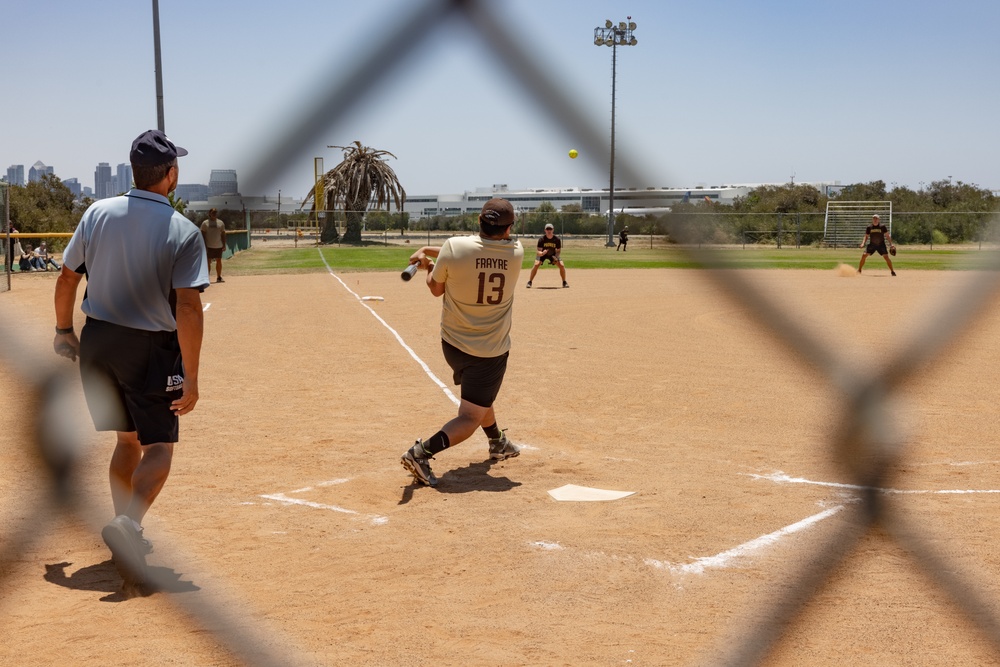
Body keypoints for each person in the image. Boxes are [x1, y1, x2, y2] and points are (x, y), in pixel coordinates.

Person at [53, 129, 209, 587]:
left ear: (134, 172)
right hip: (150, 347)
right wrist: (193, 377)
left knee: (126, 442)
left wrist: (64, 331)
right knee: (158, 445)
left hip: (98, 339)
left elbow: (67, 280)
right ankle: (129, 526)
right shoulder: (182, 230)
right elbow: (187, 307)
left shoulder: (97, 212)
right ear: (171, 176)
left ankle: (127, 530)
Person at [400, 198, 524, 487]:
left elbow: (435, 288)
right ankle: (421, 453)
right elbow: (472, 252)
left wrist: (428, 264)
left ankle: (497, 442)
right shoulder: (516, 251)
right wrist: (430, 255)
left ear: (479, 221)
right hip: (489, 351)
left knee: (479, 398)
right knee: (470, 415)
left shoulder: (455, 248)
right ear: (508, 229)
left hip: (452, 345)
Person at [525, 222, 568, 288]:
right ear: (545, 230)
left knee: (562, 265)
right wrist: (542, 253)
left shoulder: (557, 239)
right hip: (543, 254)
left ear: (553, 230)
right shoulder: (542, 239)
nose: (549, 231)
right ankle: (529, 281)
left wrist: (556, 257)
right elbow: (538, 252)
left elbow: (558, 251)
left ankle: (564, 282)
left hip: (553, 255)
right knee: (536, 264)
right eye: (547, 229)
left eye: (550, 229)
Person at [200, 208, 227, 283]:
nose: (214, 214)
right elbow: (202, 235)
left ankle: (219, 277)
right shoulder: (205, 223)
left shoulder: (220, 223)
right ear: (209, 214)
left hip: (218, 245)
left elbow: (223, 234)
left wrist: (224, 245)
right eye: (213, 212)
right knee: (208, 261)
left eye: (215, 212)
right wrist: (204, 246)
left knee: (219, 260)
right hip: (208, 246)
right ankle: (207, 278)